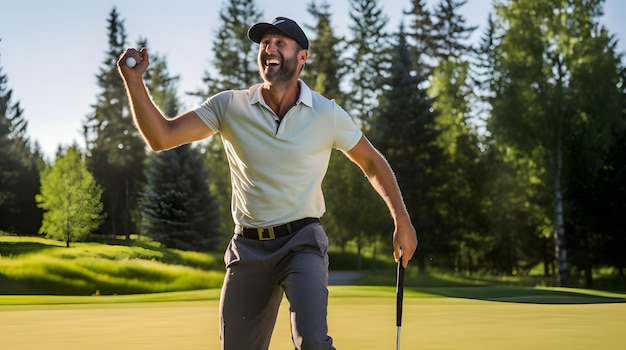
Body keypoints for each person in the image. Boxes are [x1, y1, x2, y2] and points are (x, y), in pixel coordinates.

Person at [118, 16, 417, 350]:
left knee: (314, 343)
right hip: (247, 249)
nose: (269, 49)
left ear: (302, 57)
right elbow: (162, 136)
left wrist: (401, 219)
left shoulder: (326, 113)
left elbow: (372, 161)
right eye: (264, 44)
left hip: (302, 242)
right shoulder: (230, 106)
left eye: (280, 43)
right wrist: (134, 83)